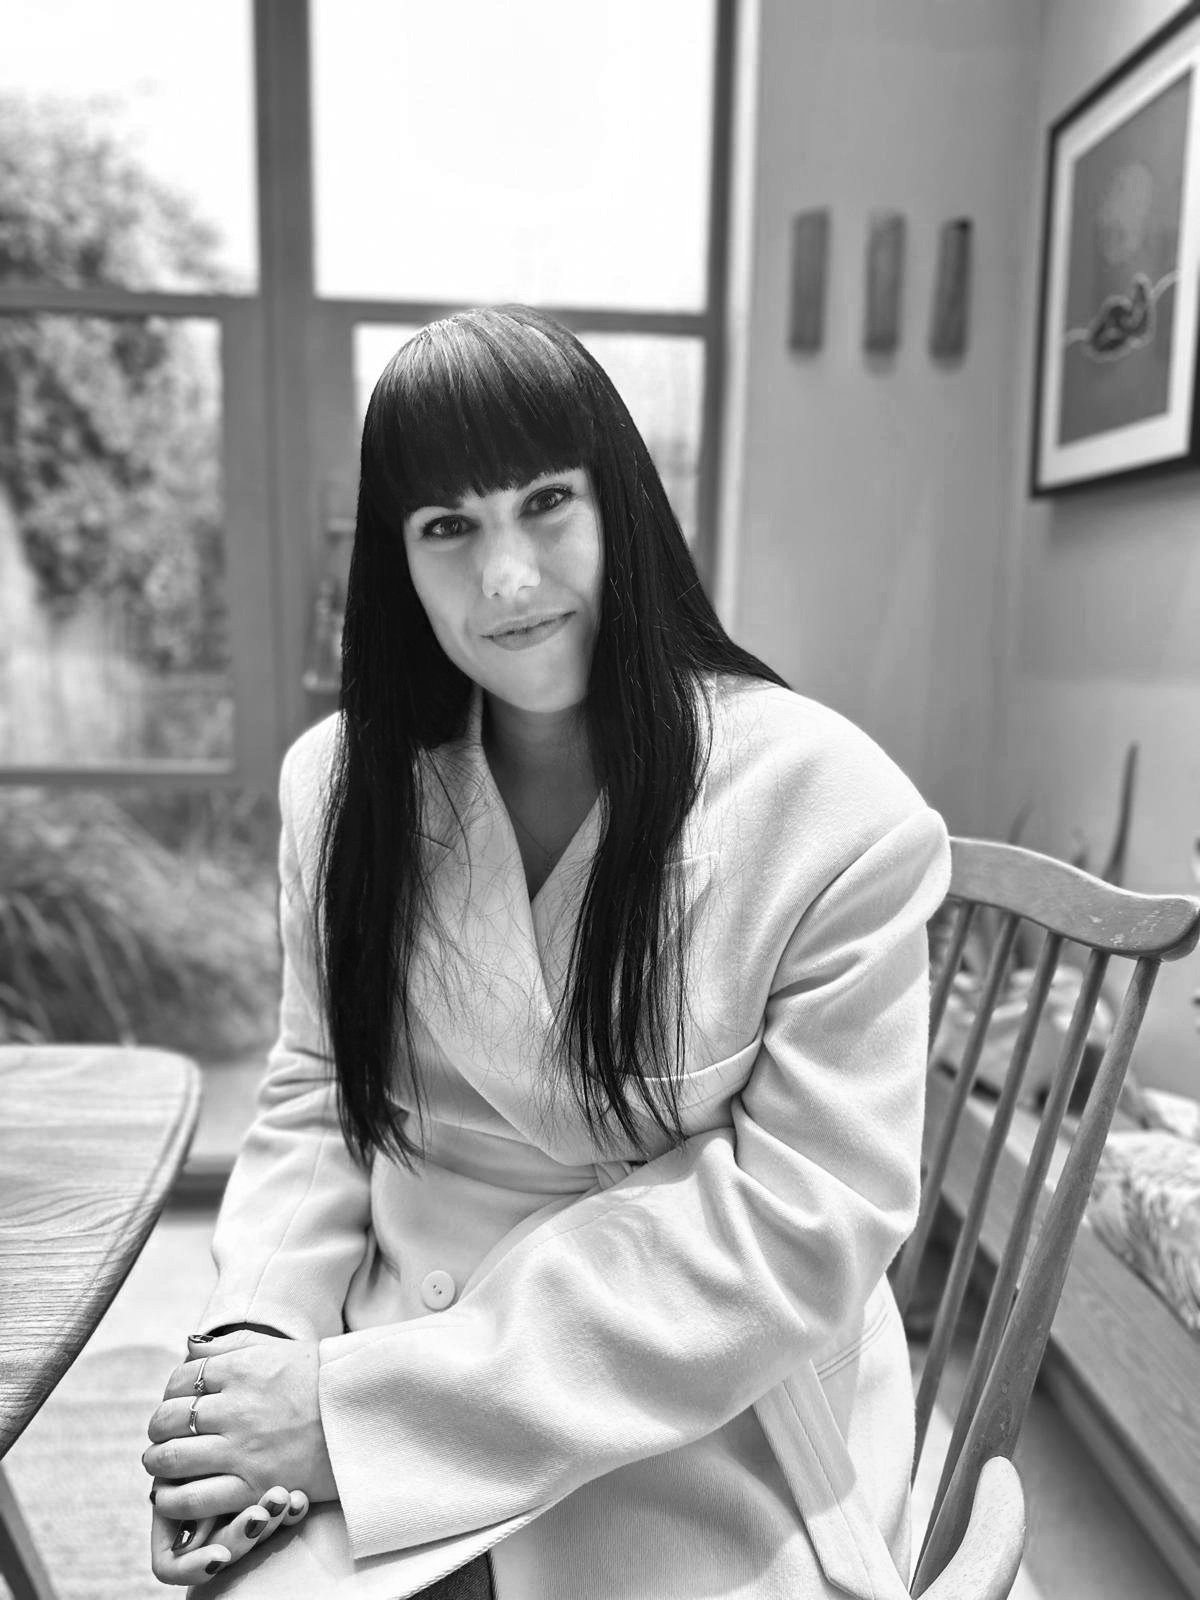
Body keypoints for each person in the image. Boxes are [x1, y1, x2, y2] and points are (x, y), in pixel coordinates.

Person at [142, 304, 951, 1599]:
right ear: (396, 562)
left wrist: (361, 1413)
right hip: (389, 1315)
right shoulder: (337, 788)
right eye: (448, 527)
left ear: (620, 505)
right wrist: (263, 1339)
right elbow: (309, 1095)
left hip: (698, 1396)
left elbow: (804, 1235)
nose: (506, 577)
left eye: (545, 502)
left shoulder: (831, 807)